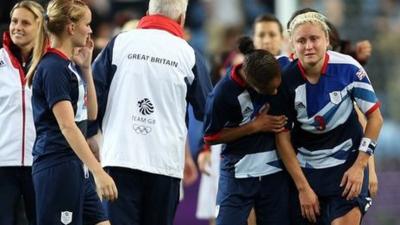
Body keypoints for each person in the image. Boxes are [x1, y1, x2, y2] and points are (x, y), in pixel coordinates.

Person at [86, 0, 213, 224]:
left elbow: (92, 94)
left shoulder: (119, 44)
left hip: (119, 159)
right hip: (165, 166)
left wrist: (90, 134)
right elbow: (209, 112)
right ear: (181, 19)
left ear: (148, 13)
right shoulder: (189, 55)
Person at [274, 11, 383, 225]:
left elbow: (374, 118)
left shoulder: (349, 68)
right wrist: (303, 187)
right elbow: (282, 137)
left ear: (326, 40)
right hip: (306, 171)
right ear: (292, 45)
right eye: (301, 41)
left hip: (346, 168)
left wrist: (361, 166)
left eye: (314, 39)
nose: (308, 46)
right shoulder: (283, 78)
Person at [27, 0, 118, 224]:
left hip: (76, 165)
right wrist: (99, 171)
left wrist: (86, 69)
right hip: (57, 167)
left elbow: (92, 114)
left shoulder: (69, 66)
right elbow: (67, 126)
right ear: (71, 27)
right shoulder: (53, 68)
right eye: (87, 24)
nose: (90, 30)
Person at [202, 36, 289, 225]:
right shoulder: (221, 94)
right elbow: (210, 137)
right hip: (237, 173)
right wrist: (254, 126)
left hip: (273, 173)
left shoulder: (280, 66)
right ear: (252, 84)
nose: (275, 93)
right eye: (269, 89)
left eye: (277, 87)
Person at [0, 1, 44, 224]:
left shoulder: (50, 63)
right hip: (2, 164)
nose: (17, 27)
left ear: (39, 26)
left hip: (39, 163)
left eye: (25, 22)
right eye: (14, 21)